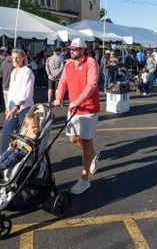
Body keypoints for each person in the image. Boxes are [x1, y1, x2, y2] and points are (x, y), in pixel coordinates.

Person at [54, 37, 100, 195]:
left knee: (87, 141)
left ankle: (84, 179)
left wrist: (78, 100)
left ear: (82, 50)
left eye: (75, 49)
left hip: (89, 108)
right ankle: (92, 155)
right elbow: (63, 82)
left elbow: (92, 84)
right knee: (73, 139)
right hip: (74, 107)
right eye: (71, 49)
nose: (72, 52)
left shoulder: (91, 62)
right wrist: (59, 96)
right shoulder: (67, 64)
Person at [0, 110, 41, 180]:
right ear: (27, 127)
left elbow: (31, 146)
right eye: (33, 127)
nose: (35, 129)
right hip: (18, 148)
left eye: (37, 126)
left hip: (25, 153)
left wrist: (26, 141)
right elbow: (19, 140)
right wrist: (14, 143)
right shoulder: (26, 132)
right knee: (5, 154)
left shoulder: (35, 135)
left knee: (13, 157)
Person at [0, 48, 35, 154]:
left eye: (18, 58)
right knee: (5, 136)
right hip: (12, 108)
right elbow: (11, 92)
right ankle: (2, 161)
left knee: (25, 139)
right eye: (13, 58)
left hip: (24, 109)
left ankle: (28, 160)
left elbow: (25, 93)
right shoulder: (14, 71)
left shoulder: (27, 72)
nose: (15, 60)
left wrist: (16, 107)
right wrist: (7, 107)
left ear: (24, 58)